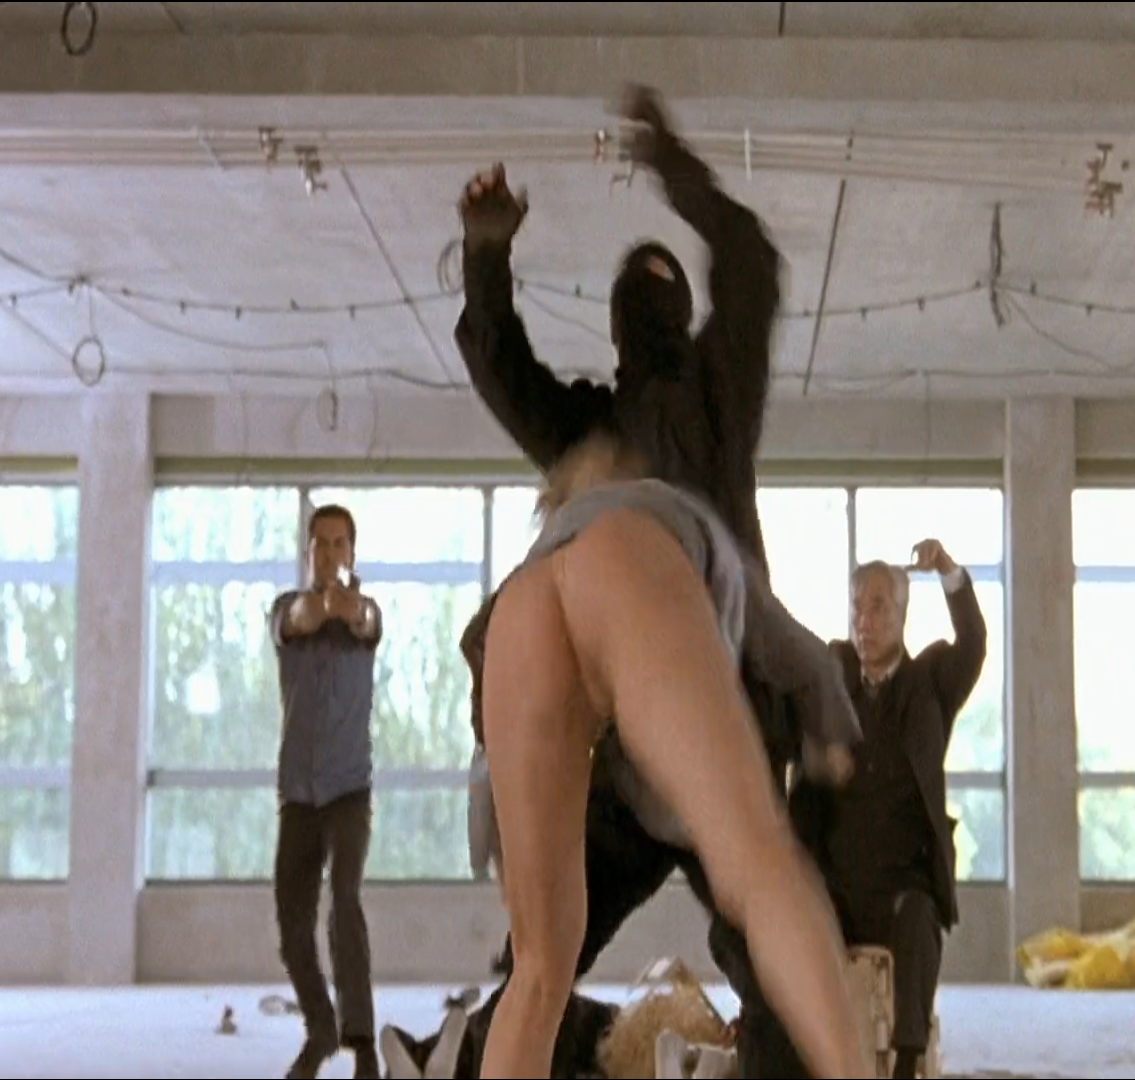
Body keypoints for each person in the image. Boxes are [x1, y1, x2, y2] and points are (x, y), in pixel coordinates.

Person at [382, 83, 814, 1079]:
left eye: (654, 294)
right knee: (548, 951)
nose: (651, 314)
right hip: (642, 747)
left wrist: (501, 250)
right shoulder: (619, 425)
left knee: (747, 956)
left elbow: (744, 267)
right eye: (642, 298)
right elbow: (509, 371)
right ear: (636, 326)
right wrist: (489, 255)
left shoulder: (683, 407)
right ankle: (465, 1054)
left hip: (706, 735)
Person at [474, 432, 872, 1080]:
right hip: (625, 573)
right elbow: (800, 654)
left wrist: (497, 841)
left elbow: (486, 757)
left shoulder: (545, 552)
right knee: (761, 865)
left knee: (538, 969)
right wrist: (830, 734)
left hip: (517, 612)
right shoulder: (663, 515)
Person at [792, 541, 988, 1080]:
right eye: (857, 607)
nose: (865, 620)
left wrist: (947, 570)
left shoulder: (931, 683)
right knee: (794, 928)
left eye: (878, 607)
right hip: (836, 880)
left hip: (903, 881)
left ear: (902, 614)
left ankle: (906, 1059)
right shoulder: (832, 678)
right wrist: (817, 758)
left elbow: (973, 643)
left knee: (918, 919)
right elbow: (786, 719)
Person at [268, 504, 385, 1079]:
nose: (331, 553)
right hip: (298, 795)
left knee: (344, 901)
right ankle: (321, 1030)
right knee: (292, 926)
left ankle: (362, 1042)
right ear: (309, 552)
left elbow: (365, 619)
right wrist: (322, 605)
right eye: (322, 544)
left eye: (340, 544)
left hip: (348, 793)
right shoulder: (287, 609)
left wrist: (351, 607)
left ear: (352, 552)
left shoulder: (366, 614)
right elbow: (298, 617)